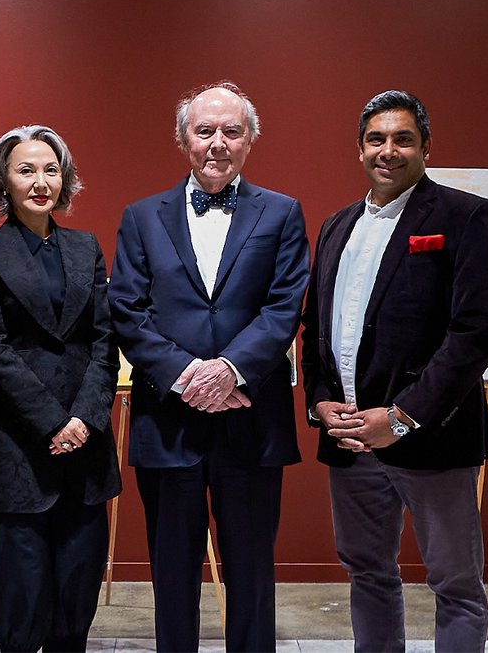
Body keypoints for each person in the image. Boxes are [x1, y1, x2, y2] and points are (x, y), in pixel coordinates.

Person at [300, 90, 488, 652]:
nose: (387, 150)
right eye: (376, 139)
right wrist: (320, 400)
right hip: (349, 440)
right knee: (368, 573)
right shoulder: (336, 225)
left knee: (456, 585)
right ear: (360, 148)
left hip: (430, 438)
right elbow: (315, 327)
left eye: (402, 139)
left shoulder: (465, 216)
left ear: (425, 148)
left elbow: (476, 334)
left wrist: (402, 416)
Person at [108, 82, 310, 651]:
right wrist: (188, 377)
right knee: (171, 575)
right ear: (183, 140)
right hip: (167, 422)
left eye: (231, 131)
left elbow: (283, 307)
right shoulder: (142, 216)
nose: (217, 143)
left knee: (251, 574)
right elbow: (126, 309)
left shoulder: (283, 213)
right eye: (204, 131)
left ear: (250, 141)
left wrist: (228, 371)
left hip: (252, 421)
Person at [0, 125, 120, 652]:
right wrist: (54, 422)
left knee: (76, 600)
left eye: (51, 169)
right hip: (21, 446)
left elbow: (104, 341)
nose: (40, 181)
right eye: (26, 169)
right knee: (20, 603)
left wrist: (83, 421)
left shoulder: (86, 246)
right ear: (2, 181)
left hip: (85, 443)